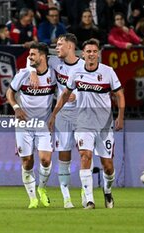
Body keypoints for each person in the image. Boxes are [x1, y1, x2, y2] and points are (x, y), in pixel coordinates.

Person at [48, 38, 125, 209]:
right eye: (88, 51)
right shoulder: (75, 73)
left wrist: (121, 116)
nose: (91, 54)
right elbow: (65, 94)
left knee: (108, 165)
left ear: (98, 54)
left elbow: (119, 94)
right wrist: (54, 115)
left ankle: (107, 190)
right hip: (83, 123)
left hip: (104, 125)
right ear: (83, 54)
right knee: (85, 156)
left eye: (94, 51)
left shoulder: (108, 72)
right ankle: (89, 200)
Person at [28, 33, 85, 209]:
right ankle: (67, 198)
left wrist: (79, 94)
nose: (56, 47)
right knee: (64, 156)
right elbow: (32, 57)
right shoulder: (54, 61)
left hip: (82, 115)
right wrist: (32, 72)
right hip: (62, 115)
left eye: (60, 44)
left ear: (70, 46)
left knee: (85, 155)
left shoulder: (83, 66)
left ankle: (86, 193)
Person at [6, 42, 57, 208]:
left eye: (33, 54)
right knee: (27, 162)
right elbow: (10, 92)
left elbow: (62, 92)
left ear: (42, 57)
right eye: (29, 54)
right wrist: (16, 107)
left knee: (45, 159)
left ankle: (42, 189)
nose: (29, 57)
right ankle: (33, 198)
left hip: (43, 125)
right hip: (24, 125)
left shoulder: (53, 75)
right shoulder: (23, 73)